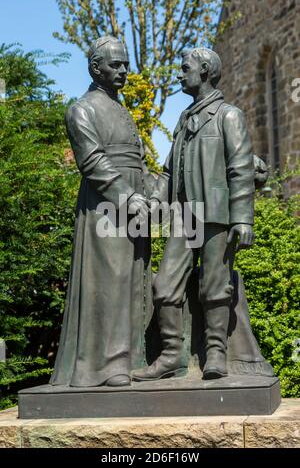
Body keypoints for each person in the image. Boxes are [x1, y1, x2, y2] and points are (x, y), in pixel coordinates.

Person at [133, 47, 255, 381]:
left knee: (214, 285)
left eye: (184, 67)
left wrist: (242, 218)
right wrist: (156, 200)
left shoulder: (228, 116)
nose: (179, 73)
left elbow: (241, 168)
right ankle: (172, 355)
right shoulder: (185, 118)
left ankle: (216, 352)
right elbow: (170, 171)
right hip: (185, 216)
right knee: (164, 285)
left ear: (204, 70)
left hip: (216, 215)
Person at [50, 36, 155, 387]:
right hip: (105, 207)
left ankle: (132, 358)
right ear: (96, 67)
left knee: (133, 280)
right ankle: (105, 367)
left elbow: (137, 159)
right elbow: (93, 161)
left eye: (126, 64)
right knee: (108, 282)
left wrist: (150, 192)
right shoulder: (82, 109)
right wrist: (127, 196)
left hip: (134, 204)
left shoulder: (121, 108)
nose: (124, 70)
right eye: (116, 64)